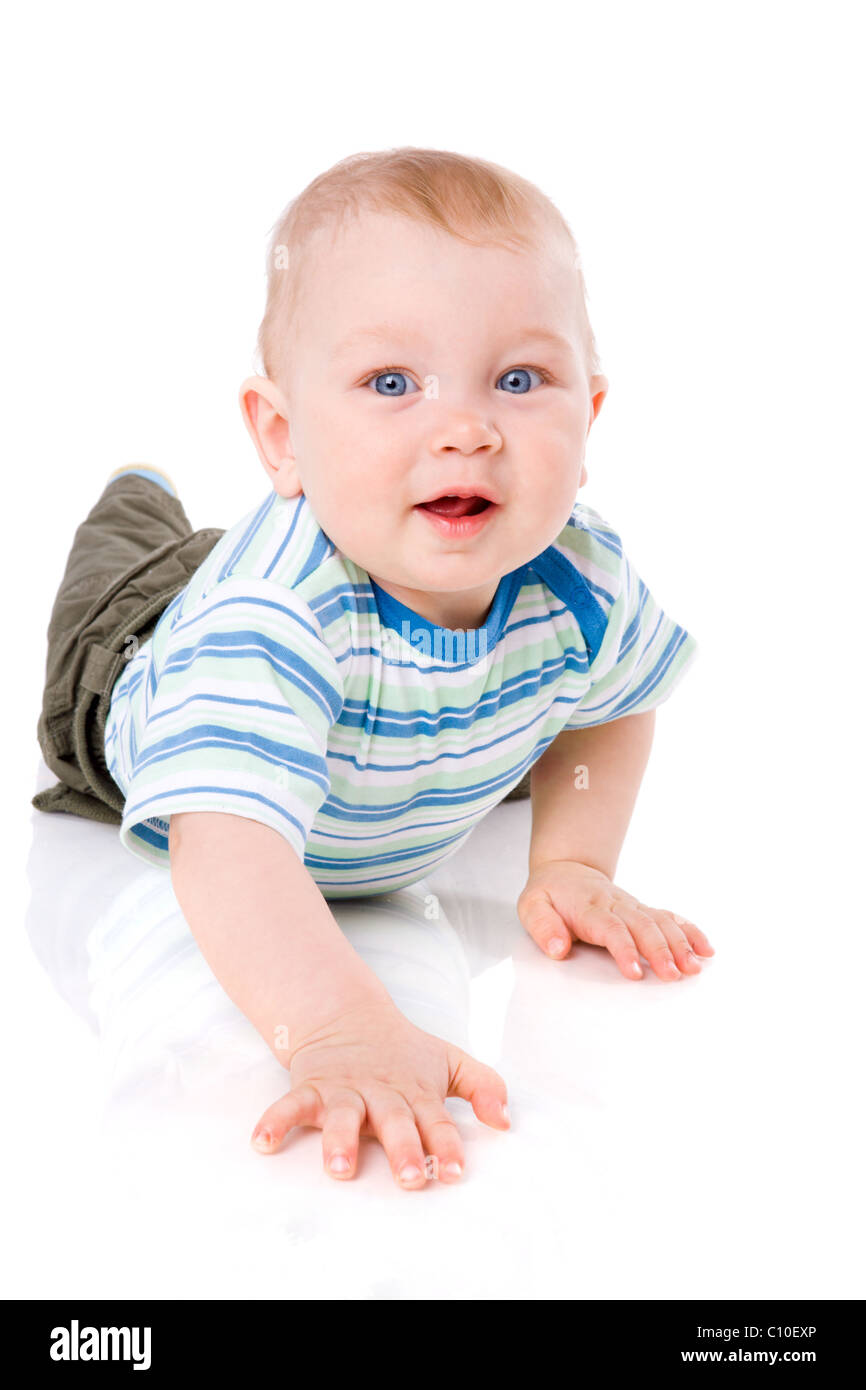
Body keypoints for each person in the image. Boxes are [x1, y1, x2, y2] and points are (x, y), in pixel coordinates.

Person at [32, 147, 713, 1189]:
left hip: (332, 618)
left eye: (518, 379)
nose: (464, 428)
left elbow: (603, 710)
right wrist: (336, 1026)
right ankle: (137, 491)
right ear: (281, 433)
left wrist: (571, 861)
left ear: (591, 419)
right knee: (132, 562)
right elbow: (228, 843)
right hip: (132, 655)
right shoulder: (262, 627)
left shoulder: (579, 577)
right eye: (391, 382)